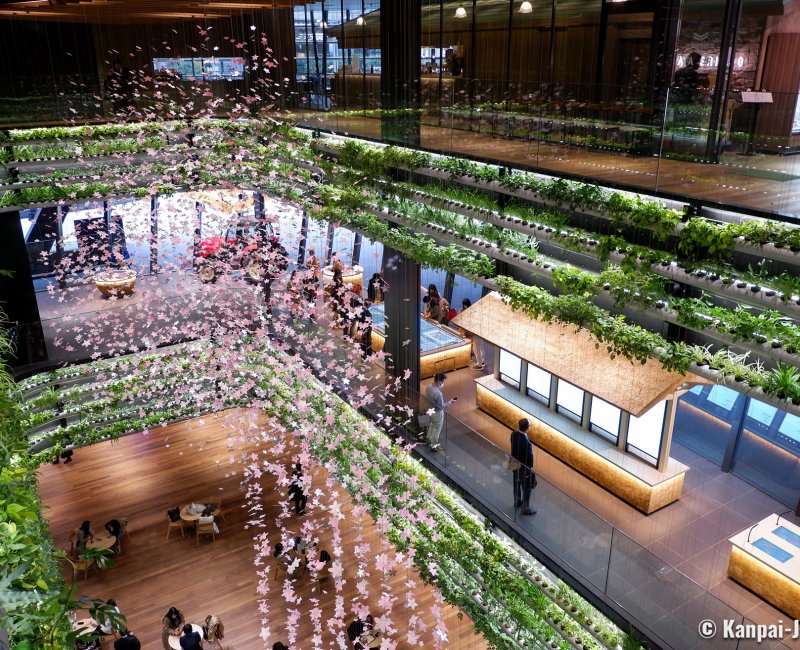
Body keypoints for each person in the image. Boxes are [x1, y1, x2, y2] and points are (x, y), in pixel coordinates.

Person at [424, 372, 457, 451]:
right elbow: (441, 406)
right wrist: (450, 402)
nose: (443, 383)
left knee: (431, 425)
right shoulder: (438, 393)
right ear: (439, 382)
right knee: (437, 429)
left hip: (430, 410)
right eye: (442, 382)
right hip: (437, 413)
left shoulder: (428, 387)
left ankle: (428, 439)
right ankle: (434, 445)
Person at [511, 418, 536, 516]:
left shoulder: (513, 434)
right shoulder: (527, 443)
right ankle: (525, 508)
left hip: (514, 464)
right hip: (524, 468)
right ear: (527, 428)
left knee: (516, 483)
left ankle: (517, 501)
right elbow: (529, 457)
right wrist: (530, 467)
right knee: (526, 488)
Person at [461, 299, 485, 369]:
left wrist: (468, 333)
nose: (464, 306)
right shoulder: (474, 310)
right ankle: (482, 362)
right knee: (481, 347)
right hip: (479, 331)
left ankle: (479, 364)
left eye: (465, 305)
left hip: (475, 333)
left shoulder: (470, 313)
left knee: (476, 348)